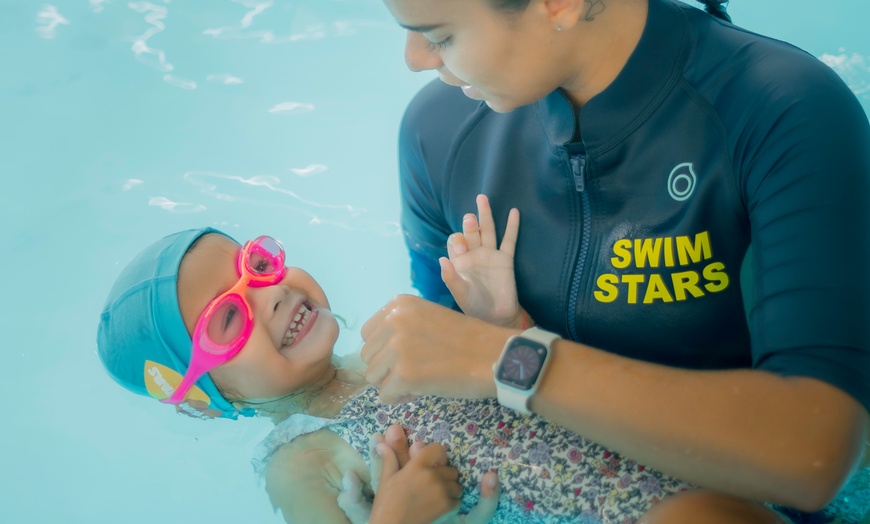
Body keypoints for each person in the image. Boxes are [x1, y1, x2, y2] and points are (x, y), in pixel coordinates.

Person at [360, 0, 870, 522]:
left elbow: (813, 454)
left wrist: (507, 359)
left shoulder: (782, 110)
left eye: (440, 36)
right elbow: (437, 365)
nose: (414, 59)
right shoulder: (437, 134)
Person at [97, 224, 704, 524]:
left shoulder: (392, 344)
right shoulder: (299, 465)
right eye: (228, 318)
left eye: (255, 266)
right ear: (203, 399)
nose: (272, 293)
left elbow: (547, 389)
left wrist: (502, 328)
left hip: (679, 472)